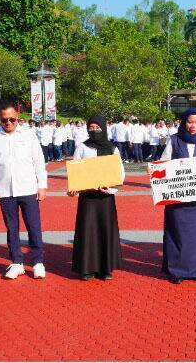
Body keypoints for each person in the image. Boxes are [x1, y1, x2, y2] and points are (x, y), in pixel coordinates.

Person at [0, 101, 48, 280]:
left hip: (28, 187)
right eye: (4, 120)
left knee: (34, 226)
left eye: (12, 119)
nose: (8, 123)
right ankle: (17, 262)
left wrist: (42, 185)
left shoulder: (28, 135)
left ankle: (37, 262)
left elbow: (38, 161)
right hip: (5, 190)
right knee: (11, 228)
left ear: (17, 117)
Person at [159, 108, 196, 284]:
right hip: (177, 198)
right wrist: (155, 169)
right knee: (176, 232)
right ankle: (175, 270)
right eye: (190, 122)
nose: (193, 126)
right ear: (184, 122)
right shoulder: (174, 140)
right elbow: (164, 162)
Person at [68, 115, 125, 280]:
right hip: (87, 198)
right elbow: (76, 171)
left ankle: (105, 268)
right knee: (88, 230)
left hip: (105, 198)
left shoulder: (113, 149)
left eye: (97, 127)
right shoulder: (82, 147)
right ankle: (87, 268)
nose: (94, 131)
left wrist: (110, 188)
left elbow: (120, 173)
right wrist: (74, 188)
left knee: (105, 230)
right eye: (91, 128)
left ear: (104, 128)